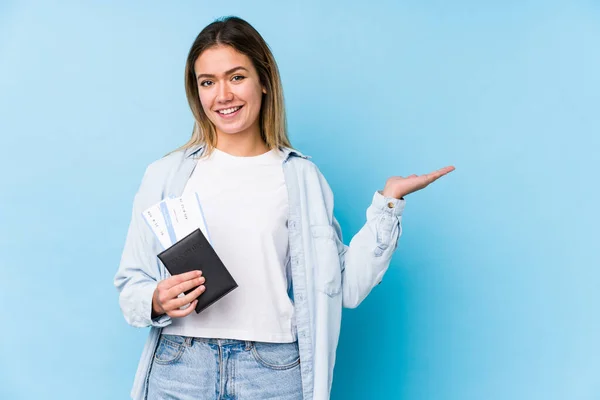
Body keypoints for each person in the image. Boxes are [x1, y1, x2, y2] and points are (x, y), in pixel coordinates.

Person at [114, 15, 454, 400]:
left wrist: (389, 203)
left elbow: (346, 287)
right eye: (207, 82)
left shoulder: (302, 178)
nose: (222, 95)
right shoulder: (165, 176)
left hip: (272, 372)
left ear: (263, 81)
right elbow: (131, 285)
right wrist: (156, 299)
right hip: (181, 366)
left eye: (236, 77)